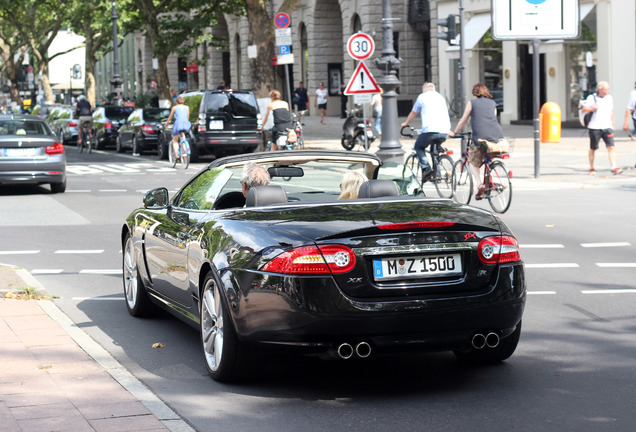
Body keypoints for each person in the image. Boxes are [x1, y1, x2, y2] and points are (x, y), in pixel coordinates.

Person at [449, 83, 505, 199]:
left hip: (480, 136)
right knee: (488, 158)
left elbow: (463, 120)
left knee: (473, 163)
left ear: (475, 93)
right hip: (496, 136)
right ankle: (489, 183)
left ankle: (479, 184)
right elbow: (492, 118)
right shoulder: (493, 103)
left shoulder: (472, 103)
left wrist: (454, 132)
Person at [401, 82, 451, 180]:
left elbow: (414, 112)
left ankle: (426, 168)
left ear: (424, 90)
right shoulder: (440, 97)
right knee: (434, 151)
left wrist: (406, 123)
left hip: (430, 130)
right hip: (445, 131)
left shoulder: (422, 97)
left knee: (418, 147)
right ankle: (438, 175)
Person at [581, 81, 623, 175]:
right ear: (599, 89)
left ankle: (614, 167)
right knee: (593, 147)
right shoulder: (592, 98)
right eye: (604, 89)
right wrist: (592, 108)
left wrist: (612, 123)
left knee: (611, 146)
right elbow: (584, 109)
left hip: (607, 126)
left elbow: (611, 111)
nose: (606, 91)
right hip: (594, 126)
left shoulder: (609, 98)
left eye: (607, 89)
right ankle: (591, 168)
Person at [163, 96, 192, 160]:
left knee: (175, 140)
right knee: (183, 136)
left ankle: (176, 155)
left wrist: (166, 123)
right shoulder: (187, 107)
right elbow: (187, 117)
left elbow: (170, 118)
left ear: (176, 102)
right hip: (186, 124)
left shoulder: (174, 108)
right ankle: (185, 150)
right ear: (183, 101)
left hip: (178, 124)